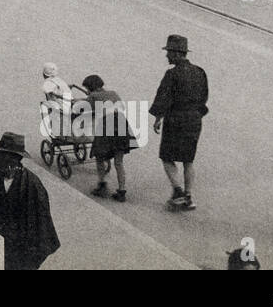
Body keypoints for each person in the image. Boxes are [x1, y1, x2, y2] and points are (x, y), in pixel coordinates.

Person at [0, 133, 61, 270]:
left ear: (15, 160)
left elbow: (42, 228)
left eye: (2, 155)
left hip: (19, 252)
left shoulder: (33, 186)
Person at [149, 34, 208, 211]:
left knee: (167, 156)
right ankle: (189, 196)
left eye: (168, 52)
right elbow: (204, 96)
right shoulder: (199, 71)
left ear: (175, 54)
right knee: (188, 160)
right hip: (194, 120)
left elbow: (163, 98)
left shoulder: (172, 74)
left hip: (176, 119)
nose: (166, 56)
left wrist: (158, 117)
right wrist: (196, 114)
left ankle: (177, 192)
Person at [82, 74, 137, 203]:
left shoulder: (92, 96)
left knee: (99, 156)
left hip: (107, 127)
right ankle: (122, 191)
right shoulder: (113, 93)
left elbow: (83, 110)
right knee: (119, 162)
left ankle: (102, 185)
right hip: (122, 124)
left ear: (90, 88)